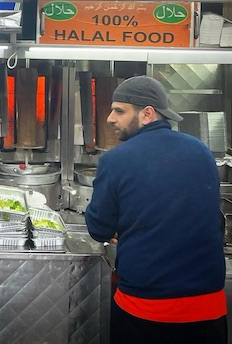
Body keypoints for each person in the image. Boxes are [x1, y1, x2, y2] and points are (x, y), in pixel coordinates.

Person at [85, 75, 227, 344]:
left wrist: (120, 226)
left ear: (147, 114)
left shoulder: (116, 160)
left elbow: (98, 228)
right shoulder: (201, 151)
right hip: (208, 307)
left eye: (119, 110)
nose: (110, 119)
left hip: (147, 307)